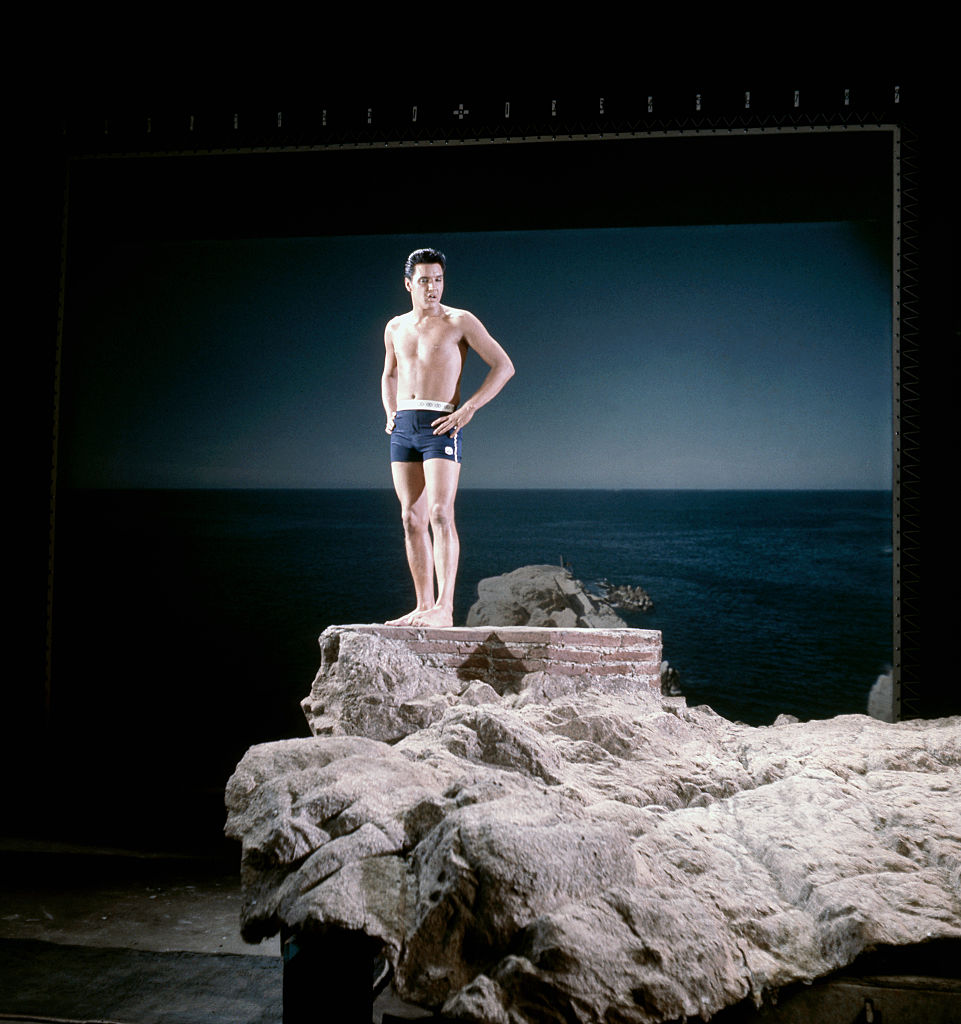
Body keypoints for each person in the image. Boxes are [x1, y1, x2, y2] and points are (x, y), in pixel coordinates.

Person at [382, 247, 514, 627]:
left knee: (440, 513)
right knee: (411, 518)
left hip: (441, 423)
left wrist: (469, 408)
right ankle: (423, 605)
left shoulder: (460, 321)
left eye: (438, 280)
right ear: (409, 284)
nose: (433, 288)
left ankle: (445, 608)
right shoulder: (395, 327)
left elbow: (504, 366)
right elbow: (389, 373)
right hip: (404, 426)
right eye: (424, 280)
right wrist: (390, 411)